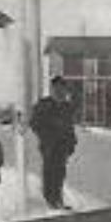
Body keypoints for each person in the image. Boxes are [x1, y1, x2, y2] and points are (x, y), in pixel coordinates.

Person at [29, 76, 78, 209]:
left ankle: (58, 199)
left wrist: (72, 142)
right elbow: (34, 123)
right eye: (56, 89)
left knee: (60, 173)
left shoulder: (67, 107)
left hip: (63, 145)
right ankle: (50, 200)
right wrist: (46, 135)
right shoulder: (44, 105)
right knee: (49, 171)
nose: (60, 92)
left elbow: (70, 126)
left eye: (62, 89)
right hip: (49, 145)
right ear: (52, 89)